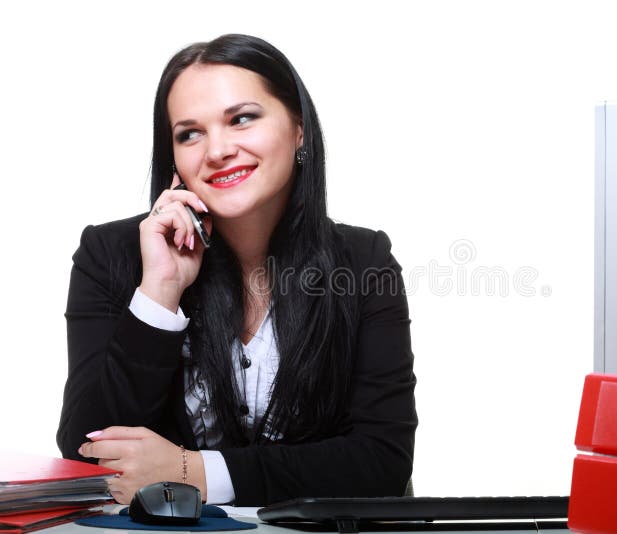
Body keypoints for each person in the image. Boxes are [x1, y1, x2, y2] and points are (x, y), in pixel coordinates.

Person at [56, 34, 417, 507]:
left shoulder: (364, 260)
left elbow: (381, 462)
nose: (217, 150)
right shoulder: (112, 253)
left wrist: (194, 472)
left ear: (299, 128)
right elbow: (86, 452)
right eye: (190, 133)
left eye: (242, 119)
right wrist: (160, 291)